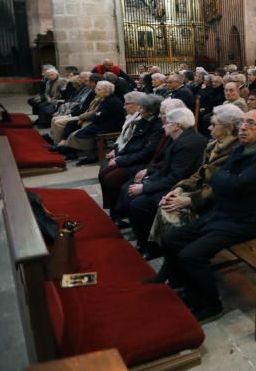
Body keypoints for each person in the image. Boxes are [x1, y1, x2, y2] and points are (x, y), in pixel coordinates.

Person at [155, 109, 256, 322]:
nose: (243, 127)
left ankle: (210, 305)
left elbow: (235, 183)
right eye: (242, 123)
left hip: (247, 220)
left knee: (191, 255)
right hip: (226, 212)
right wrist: (226, 180)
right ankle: (184, 286)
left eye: (250, 124)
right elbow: (221, 177)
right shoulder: (244, 148)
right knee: (171, 239)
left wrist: (225, 180)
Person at [148, 104, 244, 244]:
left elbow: (219, 189)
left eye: (213, 124)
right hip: (202, 192)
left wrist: (190, 200)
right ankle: (166, 248)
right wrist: (180, 188)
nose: (209, 128)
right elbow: (200, 174)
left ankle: (176, 249)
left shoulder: (235, 151)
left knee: (169, 209)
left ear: (228, 128)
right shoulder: (214, 145)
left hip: (217, 203)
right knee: (167, 202)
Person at [122, 107, 208, 258]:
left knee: (138, 204)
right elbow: (165, 168)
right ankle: (145, 241)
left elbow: (176, 177)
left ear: (177, 126)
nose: (163, 125)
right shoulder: (180, 138)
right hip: (172, 181)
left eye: (167, 123)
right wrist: (147, 180)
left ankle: (152, 247)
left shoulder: (188, 143)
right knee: (130, 194)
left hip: (182, 187)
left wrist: (145, 187)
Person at [98, 93, 164, 212]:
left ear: (151, 111)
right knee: (104, 171)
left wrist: (121, 159)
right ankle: (113, 208)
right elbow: (131, 143)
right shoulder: (143, 120)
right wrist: (119, 155)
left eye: (142, 108)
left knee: (111, 179)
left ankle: (118, 211)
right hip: (132, 157)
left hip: (143, 162)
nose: (139, 110)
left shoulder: (157, 126)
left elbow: (147, 152)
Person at [54, 80, 125, 162]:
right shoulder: (106, 99)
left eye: (99, 90)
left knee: (80, 133)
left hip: (110, 126)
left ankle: (90, 156)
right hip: (102, 122)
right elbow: (98, 114)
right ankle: (74, 152)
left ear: (107, 91)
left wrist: (91, 118)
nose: (96, 91)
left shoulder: (112, 101)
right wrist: (91, 118)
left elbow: (100, 115)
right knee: (79, 131)